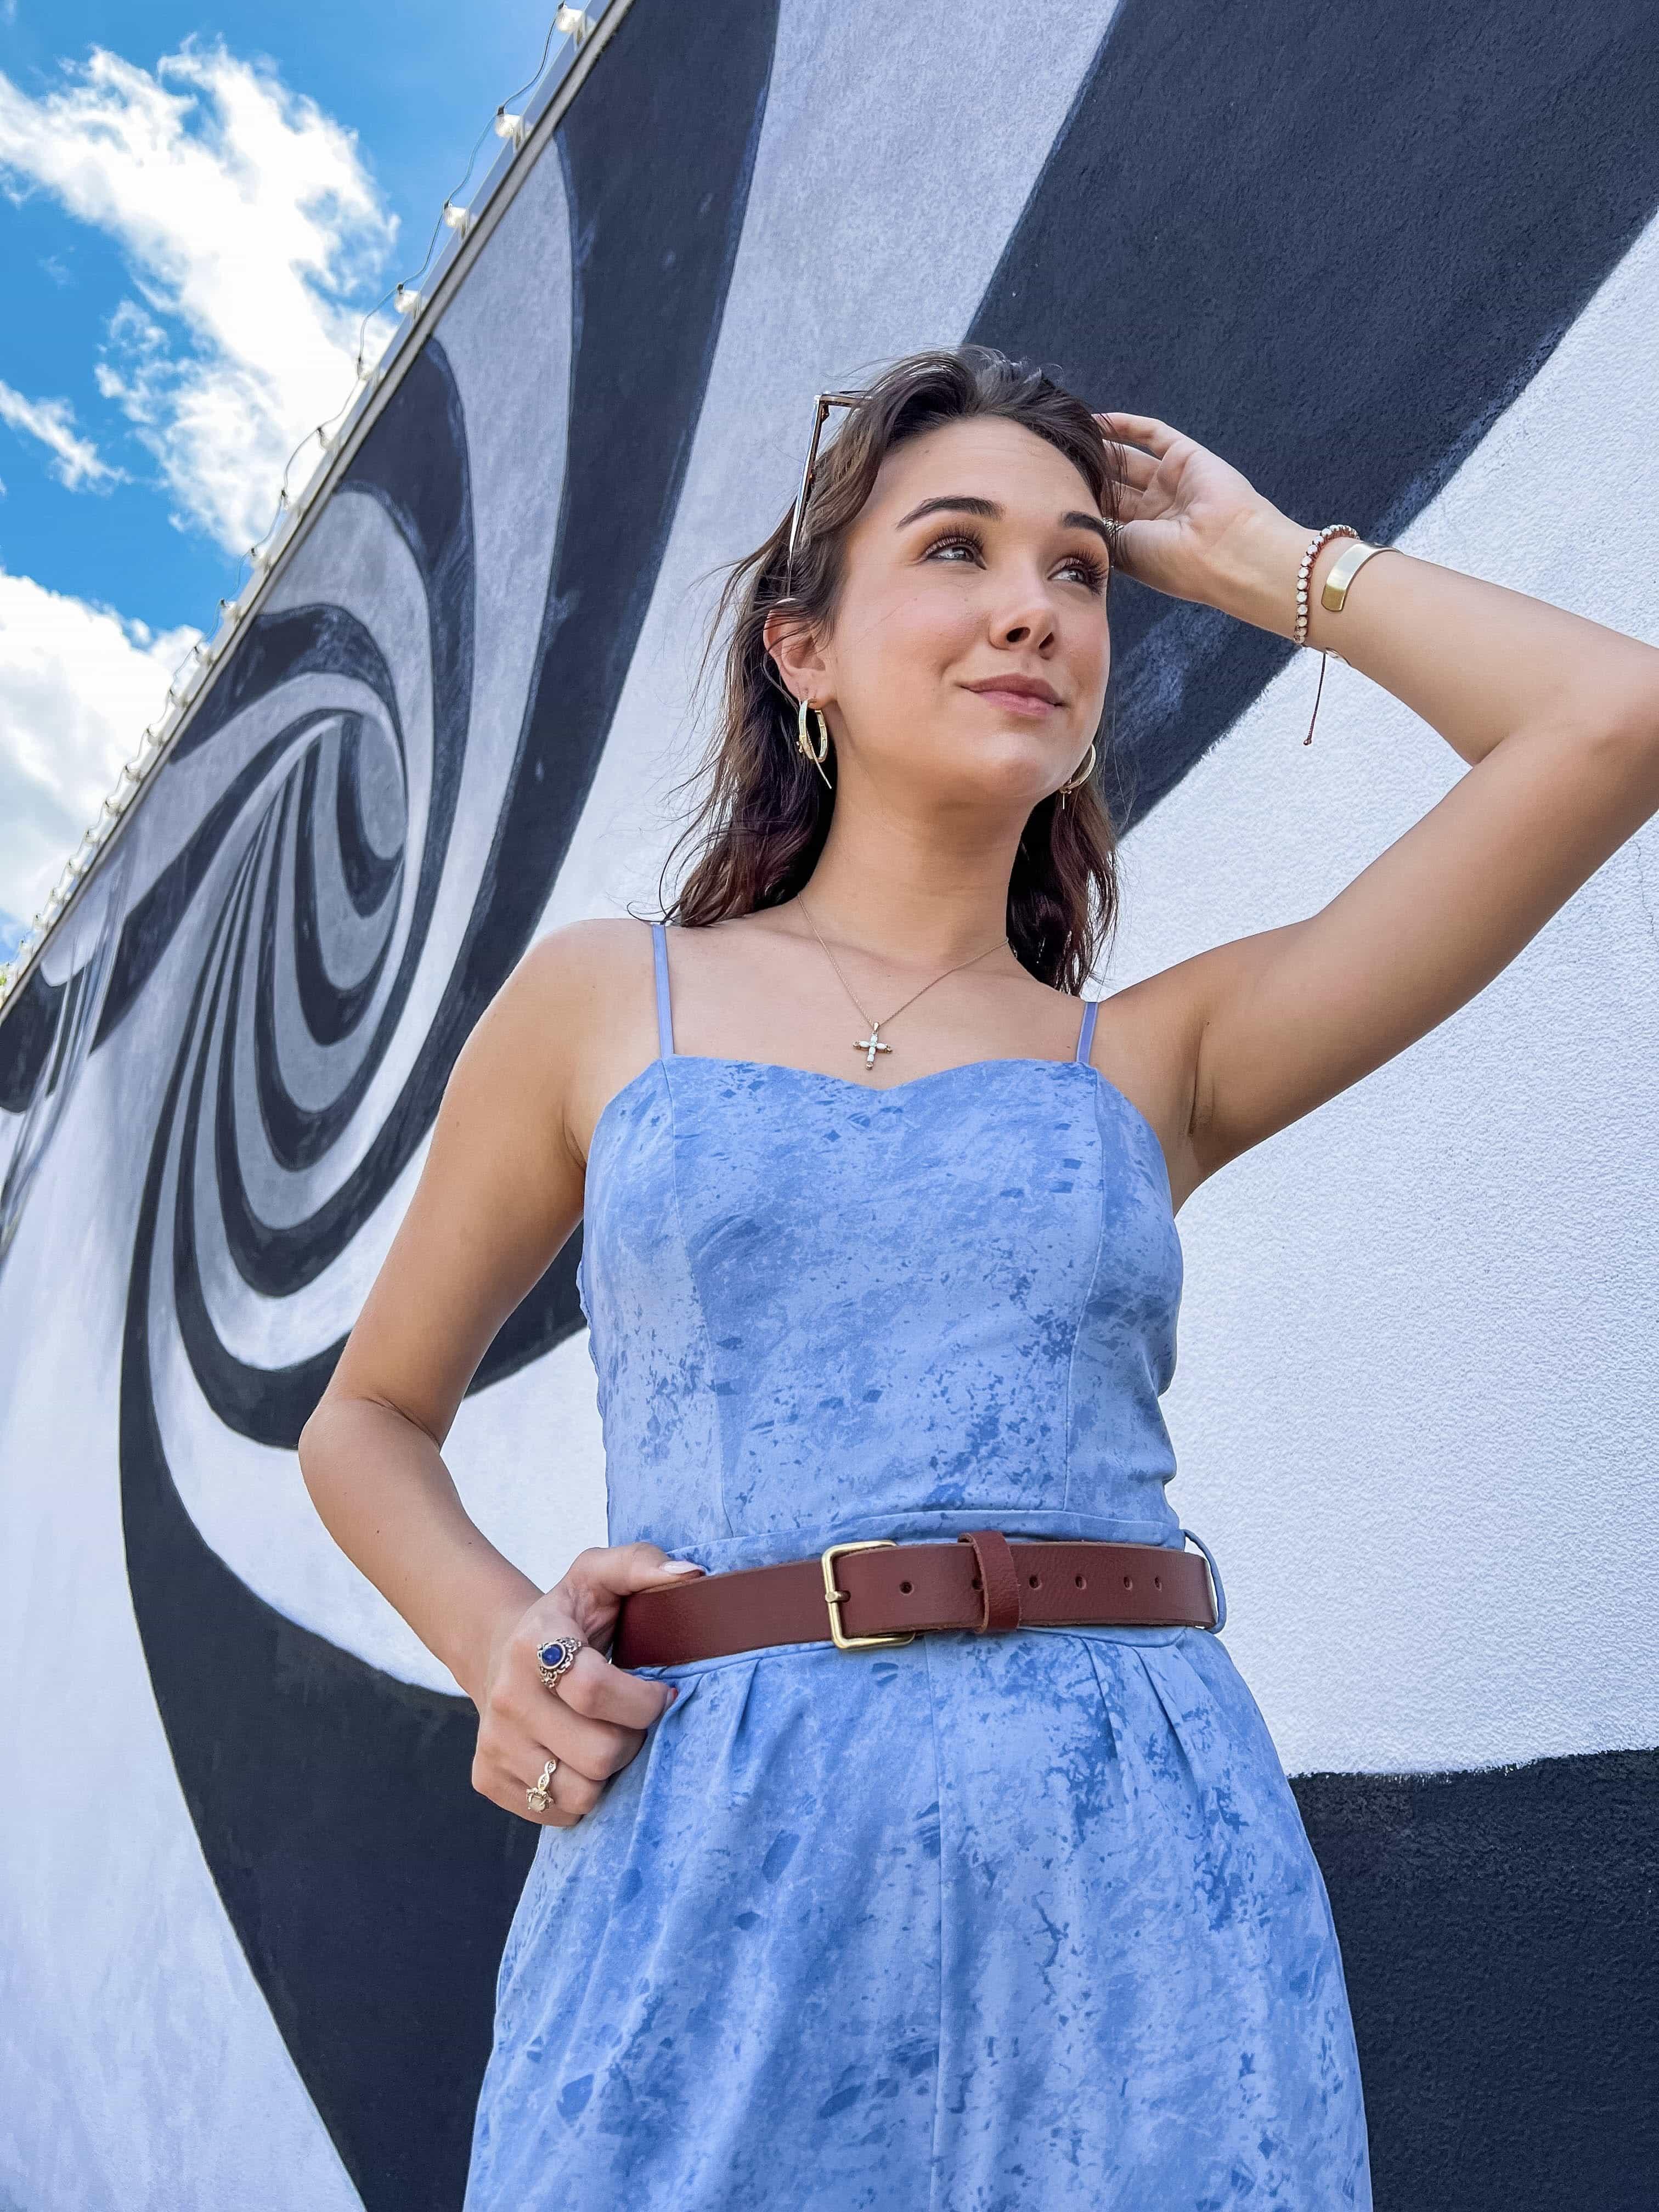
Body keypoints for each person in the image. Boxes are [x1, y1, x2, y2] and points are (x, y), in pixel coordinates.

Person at [297, 344, 1659, 2208]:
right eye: (956, 549)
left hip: (1138, 1864)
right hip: (714, 1850)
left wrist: (1265, 564)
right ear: (805, 651)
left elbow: (1611, 721)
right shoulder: (609, 998)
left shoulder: (1157, 1058)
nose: (1033, 607)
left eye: (1080, 571)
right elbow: (367, 1422)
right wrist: (495, 1642)